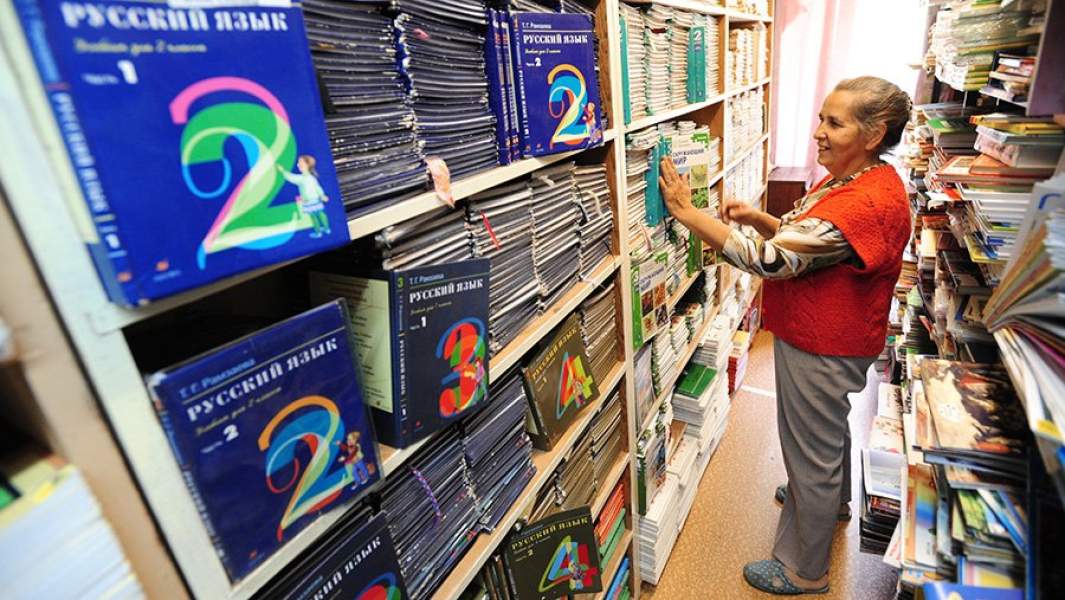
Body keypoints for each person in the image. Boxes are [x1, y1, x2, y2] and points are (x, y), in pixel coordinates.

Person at [659, 76, 912, 595]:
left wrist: (688, 214)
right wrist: (760, 217)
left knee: (809, 453)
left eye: (835, 123)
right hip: (839, 336)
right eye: (821, 118)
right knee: (826, 432)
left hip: (825, 343)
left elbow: (771, 260)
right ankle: (832, 501)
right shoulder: (863, 178)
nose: (818, 132)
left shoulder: (862, 202)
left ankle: (803, 569)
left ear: (874, 134)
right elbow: (811, 243)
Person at [277, 155, 331, 238]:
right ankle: (322, 230)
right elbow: (291, 177)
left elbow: (317, 187)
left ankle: (322, 230)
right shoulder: (304, 178)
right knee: (317, 215)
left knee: (317, 215)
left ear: (307, 165)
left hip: (312, 201)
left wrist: (322, 195)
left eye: (300, 163)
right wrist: (322, 195)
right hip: (311, 201)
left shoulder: (304, 178)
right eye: (298, 163)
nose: (298, 165)